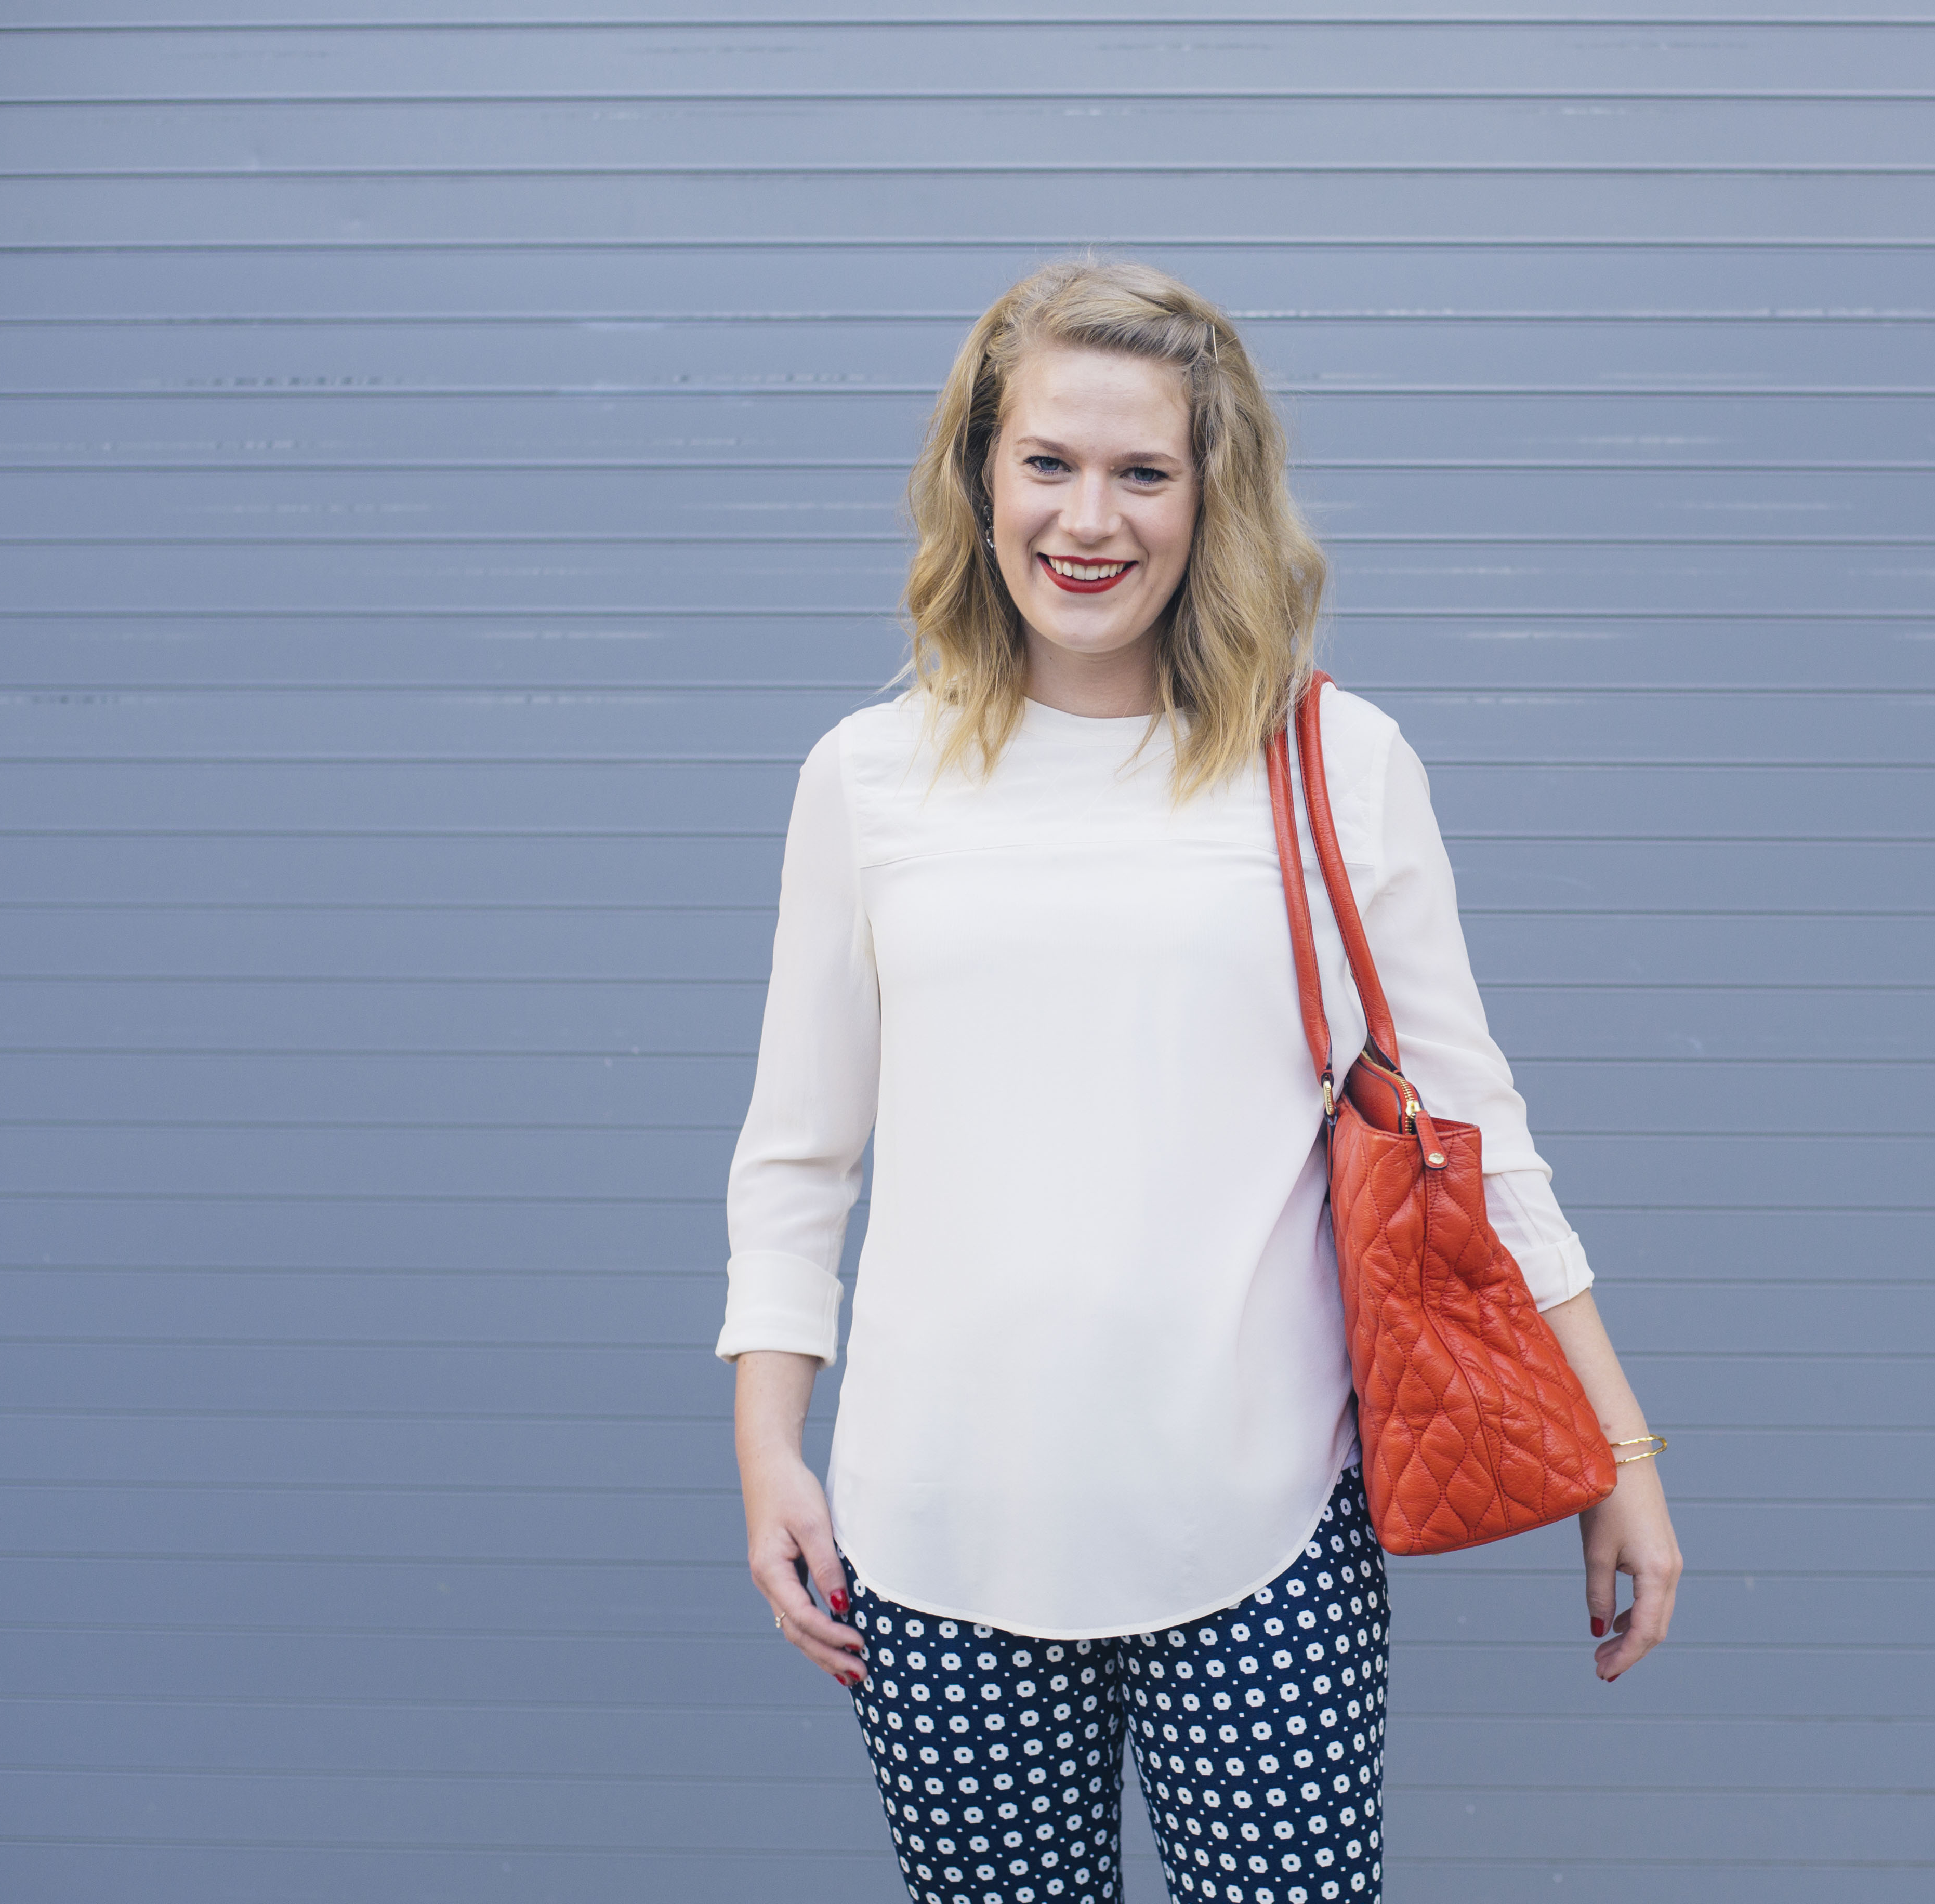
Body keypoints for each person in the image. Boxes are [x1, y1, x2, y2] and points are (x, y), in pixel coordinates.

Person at [716, 258, 1682, 1904]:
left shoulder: (1330, 761)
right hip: (935, 1533)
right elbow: (799, 1156)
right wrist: (768, 1452)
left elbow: (1478, 1135)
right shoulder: (866, 779)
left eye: (1143, 472)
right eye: (1050, 463)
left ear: (1207, 495)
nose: (1090, 518)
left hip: (1263, 1533)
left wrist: (1625, 1458)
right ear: (982, 475)